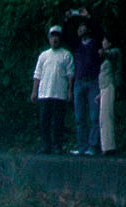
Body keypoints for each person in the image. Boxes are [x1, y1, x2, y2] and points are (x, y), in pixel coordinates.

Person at [33, 27, 74, 155]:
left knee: (58, 122)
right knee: (44, 121)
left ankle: (57, 146)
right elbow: (37, 74)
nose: (54, 39)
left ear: (60, 38)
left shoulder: (66, 55)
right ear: (49, 38)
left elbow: (70, 75)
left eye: (56, 36)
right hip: (44, 93)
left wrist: (69, 90)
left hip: (59, 94)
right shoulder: (43, 55)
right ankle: (46, 145)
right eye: (52, 36)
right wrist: (34, 91)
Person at [70, 22, 103, 154]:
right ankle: (82, 146)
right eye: (79, 28)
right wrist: (69, 19)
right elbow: (67, 34)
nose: (80, 30)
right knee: (80, 116)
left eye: (83, 27)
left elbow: (100, 31)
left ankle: (93, 146)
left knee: (94, 115)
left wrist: (89, 18)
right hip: (79, 81)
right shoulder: (76, 46)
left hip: (92, 81)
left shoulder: (95, 43)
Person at [97, 36, 121, 155]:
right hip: (103, 88)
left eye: (105, 41)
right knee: (103, 117)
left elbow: (110, 54)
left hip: (109, 86)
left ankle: (109, 146)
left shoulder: (115, 52)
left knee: (107, 117)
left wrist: (104, 52)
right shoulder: (106, 59)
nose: (102, 42)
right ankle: (105, 146)